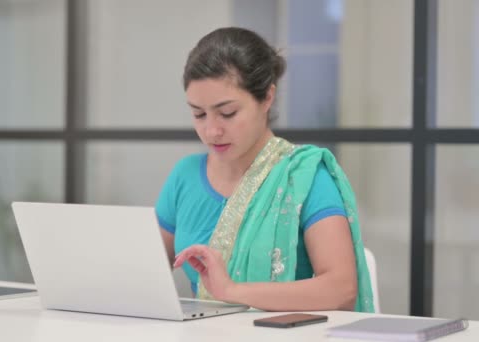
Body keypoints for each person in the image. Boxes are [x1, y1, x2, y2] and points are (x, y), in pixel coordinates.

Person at [155, 27, 374, 312]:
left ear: (267, 98)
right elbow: (143, 274)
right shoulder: (185, 177)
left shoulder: (303, 177)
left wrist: (232, 291)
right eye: (198, 114)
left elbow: (340, 289)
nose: (211, 130)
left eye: (228, 113)